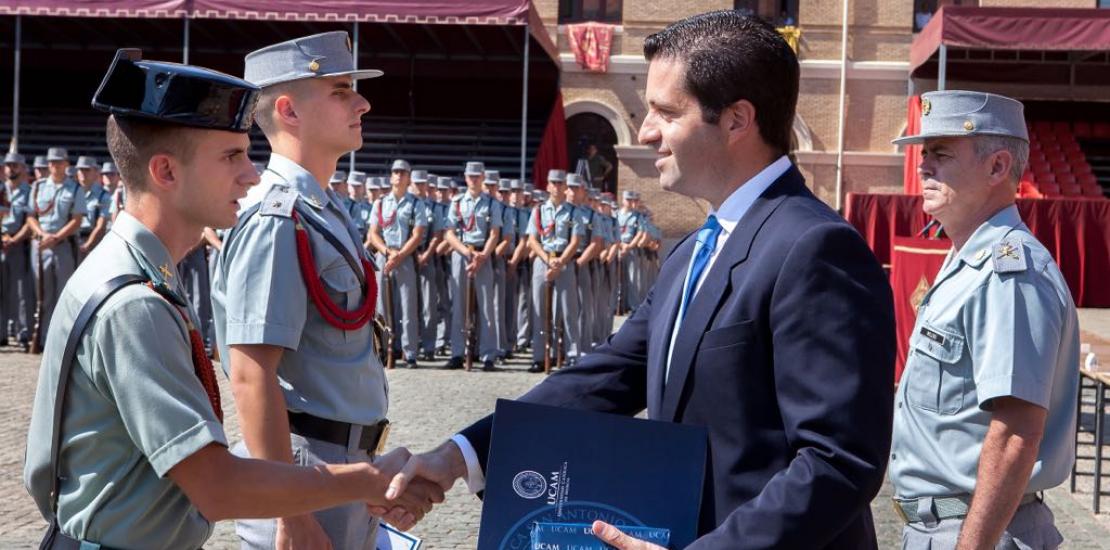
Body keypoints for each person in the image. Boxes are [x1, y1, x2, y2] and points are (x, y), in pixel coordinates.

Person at [387, 11, 895, 549]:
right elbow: (608, 374)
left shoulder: (814, 247)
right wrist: (460, 455)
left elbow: (838, 461)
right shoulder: (697, 247)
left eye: (665, 112)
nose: (646, 130)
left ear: (737, 120)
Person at [23, 48, 440, 550]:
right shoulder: (135, 300)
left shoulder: (145, 275)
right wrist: (362, 482)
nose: (250, 174)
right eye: (231, 157)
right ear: (166, 172)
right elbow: (216, 485)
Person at [210, 31, 404, 549]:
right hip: (302, 476)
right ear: (289, 111)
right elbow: (252, 373)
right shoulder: (275, 218)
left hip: (338, 466)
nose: (362, 102)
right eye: (341, 91)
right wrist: (289, 513)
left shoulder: (323, 208)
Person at [888, 90, 1079, 549]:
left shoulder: (1007, 273)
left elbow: (1016, 433)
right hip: (954, 526)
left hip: (981, 532)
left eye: (941, 153)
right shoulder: (967, 260)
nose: (923, 166)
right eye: (923, 153)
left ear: (997, 167)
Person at [442, 161, 502, 371]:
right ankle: (458, 353)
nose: (474, 179)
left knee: (486, 307)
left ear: (483, 177)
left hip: (483, 255)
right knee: (458, 305)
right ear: (466, 178)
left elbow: (495, 233)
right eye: (470, 176)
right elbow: (449, 233)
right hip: (462, 253)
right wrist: (467, 253)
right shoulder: (457, 202)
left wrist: (482, 255)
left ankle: (487, 355)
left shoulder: (491, 203)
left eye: (477, 176)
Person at [368, 159, 428, 368]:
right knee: (381, 308)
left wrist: (399, 255)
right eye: (395, 172)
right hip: (385, 257)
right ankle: (383, 350)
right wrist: (386, 251)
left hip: (404, 257)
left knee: (407, 306)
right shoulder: (381, 202)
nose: (399, 175)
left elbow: (418, 234)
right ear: (391, 176)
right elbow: (373, 233)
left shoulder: (415, 203)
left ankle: (409, 352)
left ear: (409, 177)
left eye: (403, 172)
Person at [28, 146, 86, 345]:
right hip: (41, 245)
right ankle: (42, 338)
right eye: (51, 162)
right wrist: (43, 235)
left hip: (64, 245)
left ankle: (61, 339)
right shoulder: (38, 187)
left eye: (59, 162)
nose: (54, 165)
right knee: (42, 295)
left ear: (67, 164)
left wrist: (56, 238)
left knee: (64, 294)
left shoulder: (75, 188)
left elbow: (77, 220)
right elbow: (30, 217)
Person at [2, 152, 34, 346]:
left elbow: (30, 221)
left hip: (20, 245)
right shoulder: (0, 189)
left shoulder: (30, 191)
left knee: (23, 292)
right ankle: (2, 332)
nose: (10, 168)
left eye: (15, 165)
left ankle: (24, 332)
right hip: (1, 242)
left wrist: (14, 239)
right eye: (8, 165)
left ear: (22, 168)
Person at [74, 156, 112, 259]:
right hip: (72, 241)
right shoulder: (72, 193)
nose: (83, 173)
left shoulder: (103, 196)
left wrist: (87, 245)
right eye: (80, 170)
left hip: (93, 243)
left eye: (87, 170)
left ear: (96, 173)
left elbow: (101, 226)